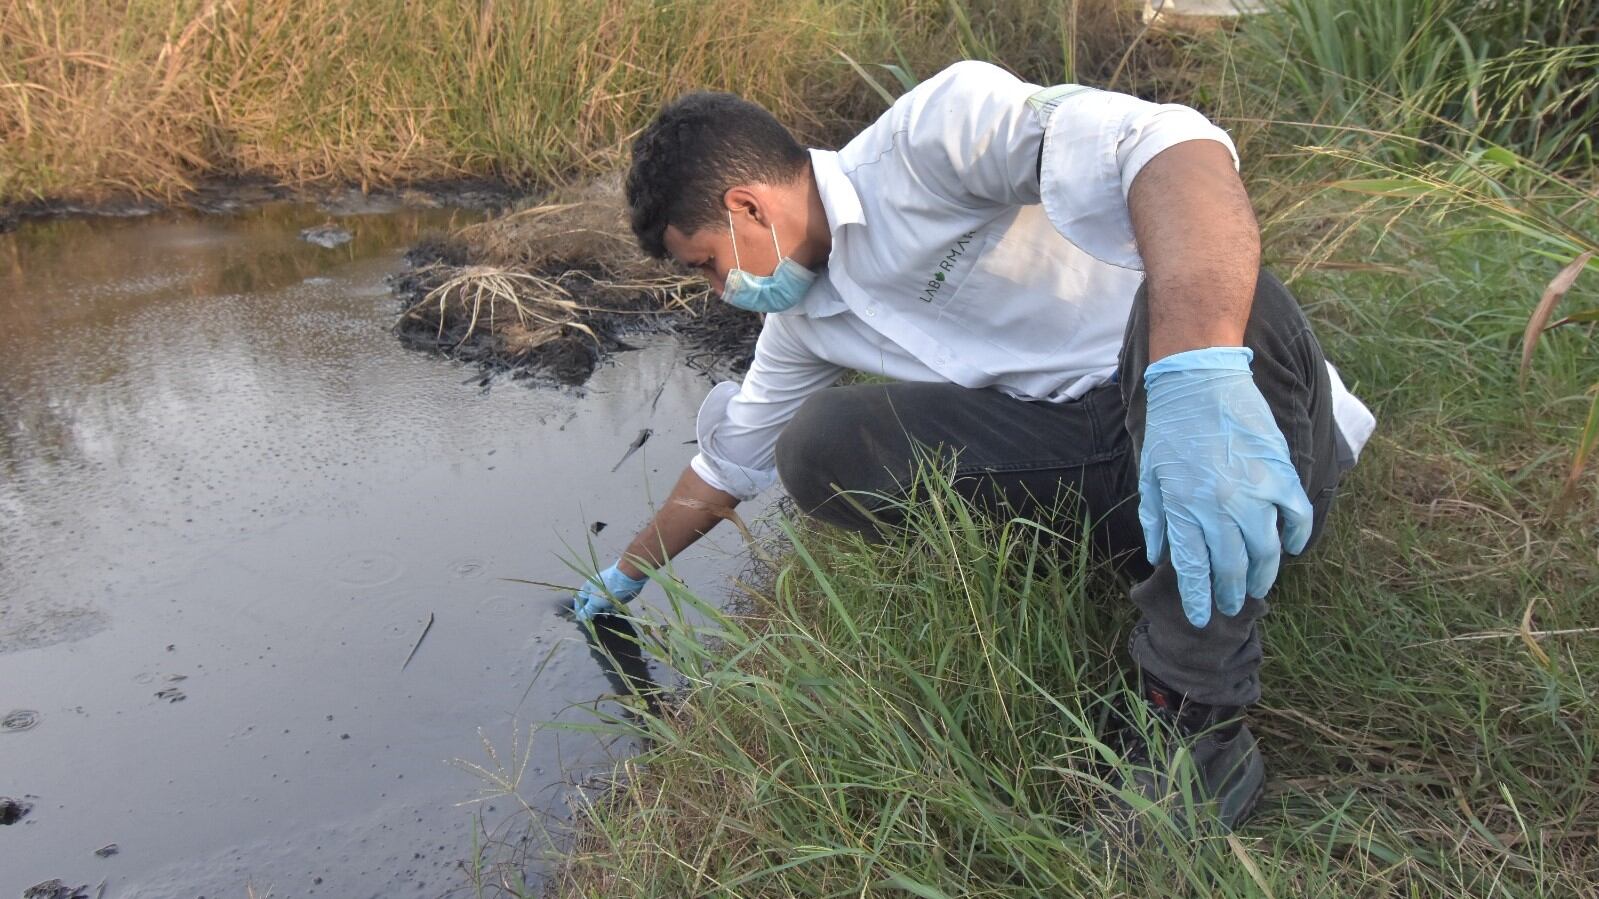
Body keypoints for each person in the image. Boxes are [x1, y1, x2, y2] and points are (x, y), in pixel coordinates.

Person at [570, 60, 1375, 831]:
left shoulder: (931, 139)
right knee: (817, 445)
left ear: (747, 207)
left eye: (709, 266)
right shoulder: (804, 321)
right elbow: (729, 463)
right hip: (1101, 456)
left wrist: (1194, 375)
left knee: (1209, 295)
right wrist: (622, 577)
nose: (722, 293)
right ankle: (1130, 566)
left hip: (1245, 441)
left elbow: (1167, 143)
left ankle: (1195, 720)